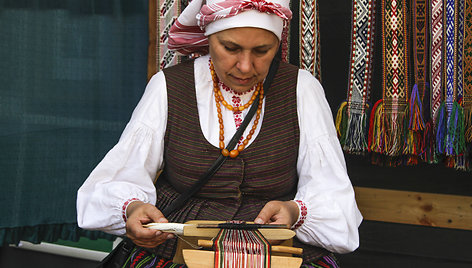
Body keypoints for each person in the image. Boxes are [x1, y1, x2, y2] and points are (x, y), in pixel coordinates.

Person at [77, 0, 362, 267]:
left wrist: (295, 212)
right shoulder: (169, 87)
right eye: (231, 48)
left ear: (278, 43)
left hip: (277, 257)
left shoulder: (302, 89)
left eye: (262, 51)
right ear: (209, 39)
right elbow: (117, 180)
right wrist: (132, 209)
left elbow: (331, 193)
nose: (246, 66)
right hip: (177, 254)